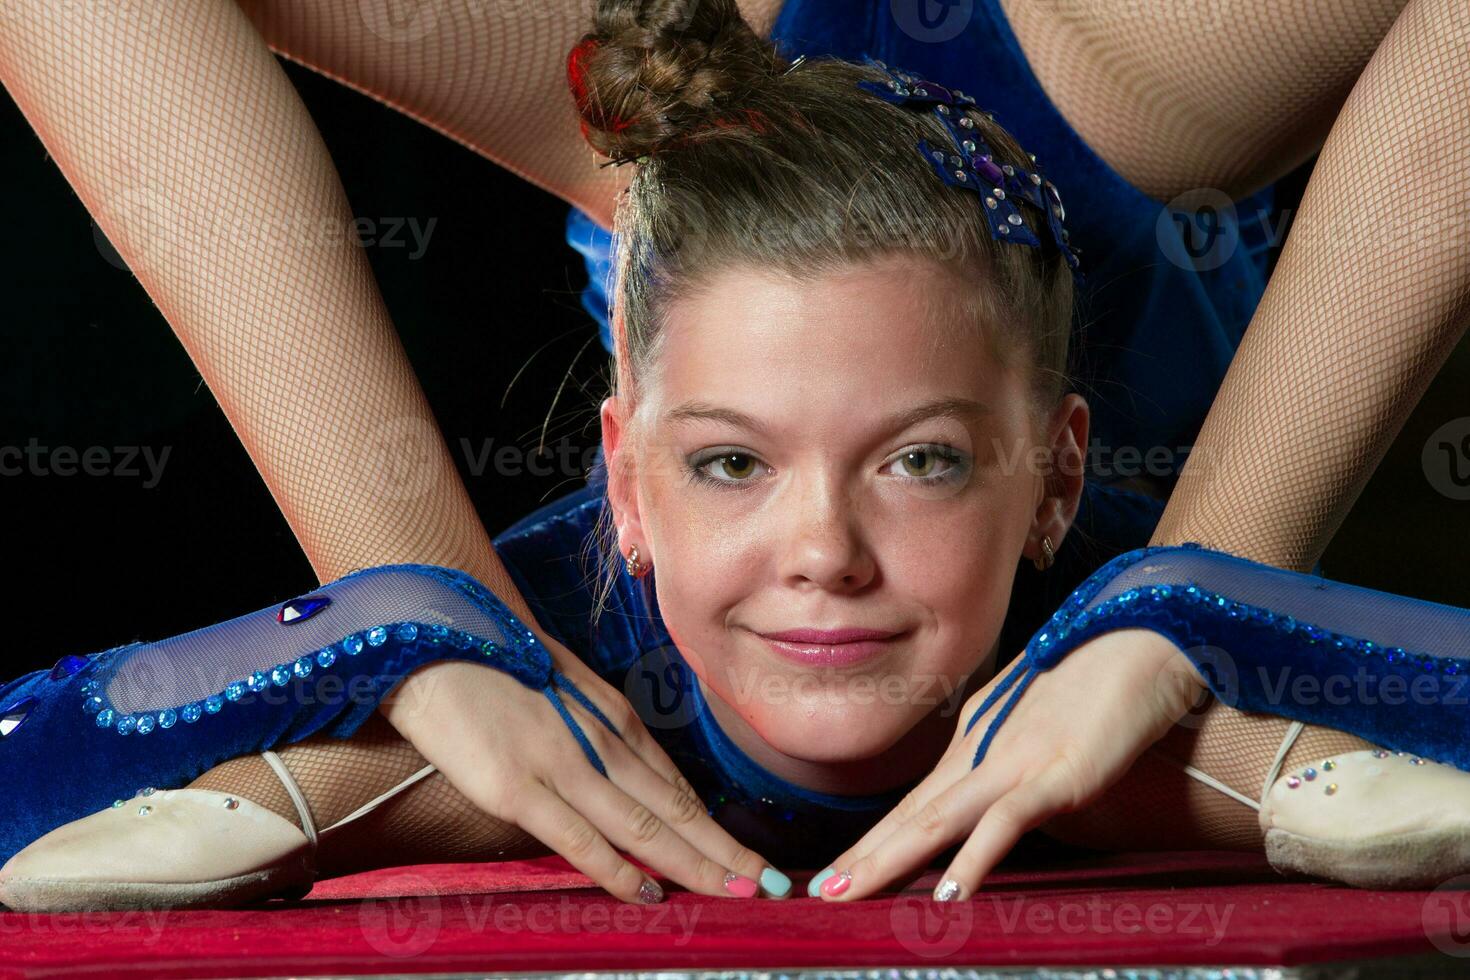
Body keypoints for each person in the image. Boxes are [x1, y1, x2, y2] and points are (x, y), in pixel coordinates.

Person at [4, 0, 1470, 911]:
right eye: (721, 467)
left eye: (923, 464)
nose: (822, 553)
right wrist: (405, 621)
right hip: (707, 105)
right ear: (627, 474)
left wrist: (1184, 621)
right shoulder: (568, 626)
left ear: (1056, 476)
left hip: (1080, 98)